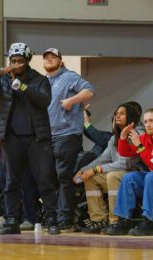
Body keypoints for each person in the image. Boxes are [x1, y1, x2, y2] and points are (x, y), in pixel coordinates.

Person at [0, 42, 60, 235]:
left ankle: (52, 220)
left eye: (20, 61)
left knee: (45, 180)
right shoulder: (4, 79)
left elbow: (44, 100)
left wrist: (22, 86)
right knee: (10, 181)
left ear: (27, 61)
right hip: (11, 138)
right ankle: (12, 219)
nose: (16, 64)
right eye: (13, 61)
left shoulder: (39, 79)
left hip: (37, 139)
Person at [43, 48, 95, 230]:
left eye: (53, 57)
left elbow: (90, 90)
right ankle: (54, 215)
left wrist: (71, 101)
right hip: (48, 136)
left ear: (60, 60)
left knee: (64, 176)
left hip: (67, 134)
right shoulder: (44, 81)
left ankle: (65, 217)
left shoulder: (69, 77)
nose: (49, 60)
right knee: (49, 177)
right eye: (46, 58)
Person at [74, 103, 140, 233]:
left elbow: (125, 163)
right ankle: (99, 220)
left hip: (134, 176)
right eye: (116, 113)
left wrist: (96, 169)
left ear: (130, 116)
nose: (117, 116)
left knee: (112, 175)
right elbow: (103, 158)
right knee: (90, 178)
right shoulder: (114, 138)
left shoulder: (135, 133)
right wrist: (83, 171)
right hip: (118, 175)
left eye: (122, 113)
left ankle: (115, 221)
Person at [106, 108, 153, 236]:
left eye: (151, 121)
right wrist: (123, 138)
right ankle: (124, 220)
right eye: (146, 121)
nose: (148, 124)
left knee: (151, 177)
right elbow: (125, 152)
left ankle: (149, 221)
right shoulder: (145, 137)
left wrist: (139, 146)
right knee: (129, 178)